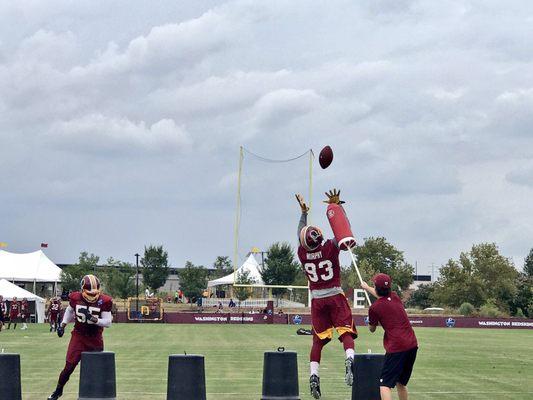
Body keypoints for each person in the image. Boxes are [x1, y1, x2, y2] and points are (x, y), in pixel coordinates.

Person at [295, 190, 357, 399]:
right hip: (335, 295)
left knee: (317, 341)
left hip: (317, 299)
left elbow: (301, 234)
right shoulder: (330, 247)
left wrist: (303, 213)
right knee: (346, 332)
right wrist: (337, 206)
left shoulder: (302, 253)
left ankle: (314, 375)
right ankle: (349, 358)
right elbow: (343, 232)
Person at [47, 274, 113, 400]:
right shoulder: (75, 297)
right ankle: (58, 390)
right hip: (79, 336)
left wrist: (94, 320)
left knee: (95, 369)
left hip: (95, 337)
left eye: (95, 293)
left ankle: (92, 395)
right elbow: (70, 310)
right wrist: (63, 324)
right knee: (69, 366)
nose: (93, 295)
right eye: (90, 293)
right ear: (82, 290)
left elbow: (108, 322)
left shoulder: (104, 301)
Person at [362, 274, 418, 400]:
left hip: (397, 348)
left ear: (376, 288)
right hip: (412, 345)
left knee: (384, 385)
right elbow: (380, 296)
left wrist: (370, 322)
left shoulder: (374, 308)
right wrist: (366, 288)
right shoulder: (395, 296)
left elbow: (372, 329)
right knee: (401, 383)